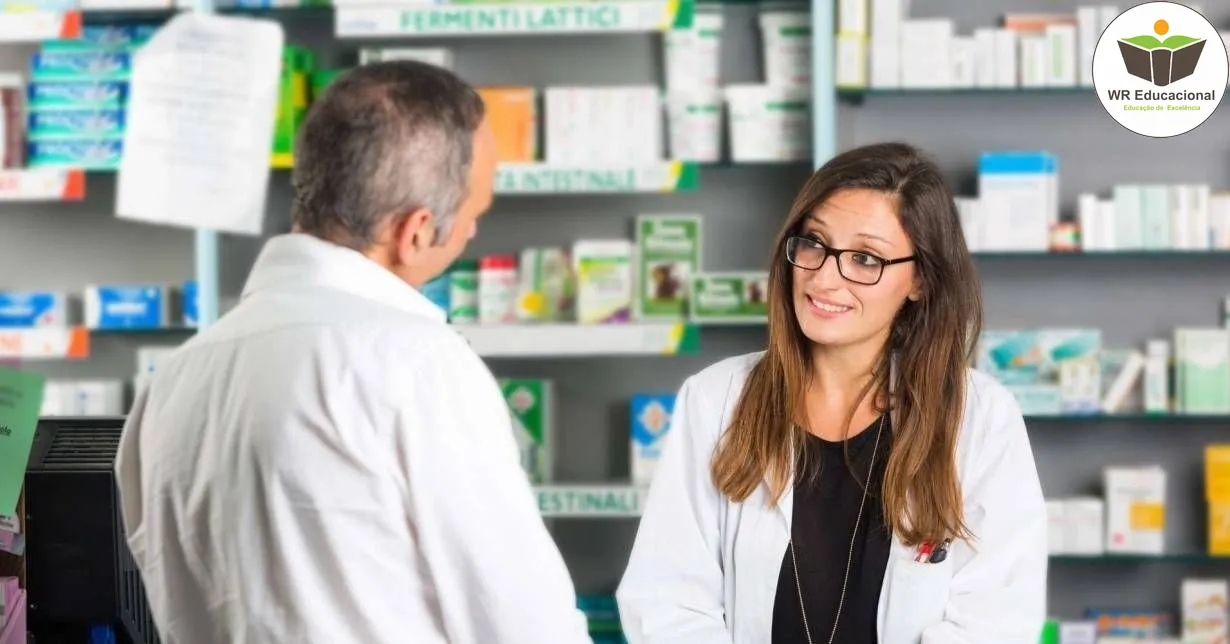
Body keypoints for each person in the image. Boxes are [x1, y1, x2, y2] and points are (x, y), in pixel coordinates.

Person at [114, 61, 592, 644]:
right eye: (475, 215)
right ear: (414, 231)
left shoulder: (176, 378)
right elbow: (521, 622)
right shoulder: (416, 362)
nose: (471, 234)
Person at [616, 142, 1047, 644]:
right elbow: (668, 600)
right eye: (814, 243)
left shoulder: (978, 418)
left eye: (865, 258)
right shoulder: (715, 401)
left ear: (921, 281)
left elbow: (996, 619)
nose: (823, 277)